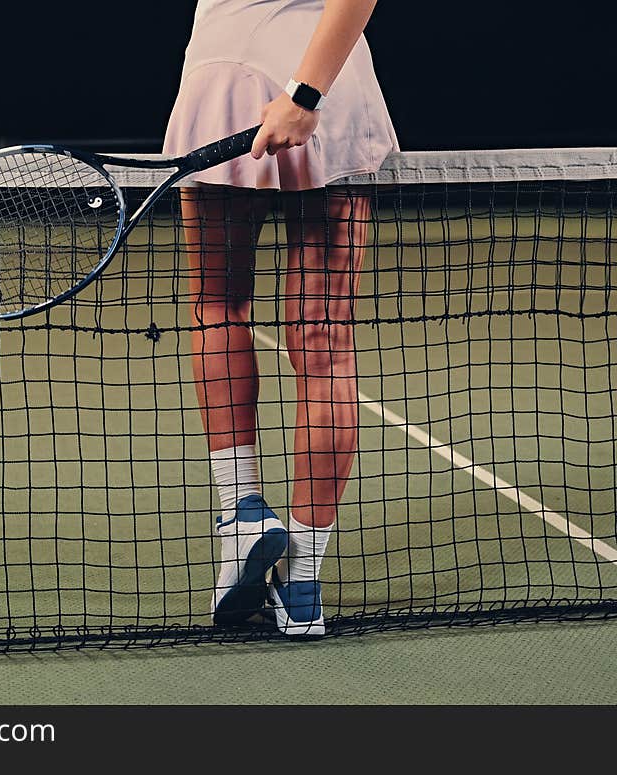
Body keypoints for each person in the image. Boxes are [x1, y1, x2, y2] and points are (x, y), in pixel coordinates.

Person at [163, 0, 398, 635]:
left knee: (218, 307)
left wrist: (303, 94)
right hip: (322, 84)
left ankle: (242, 516)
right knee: (327, 343)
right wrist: (305, 90)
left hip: (239, 79)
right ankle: (301, 586)